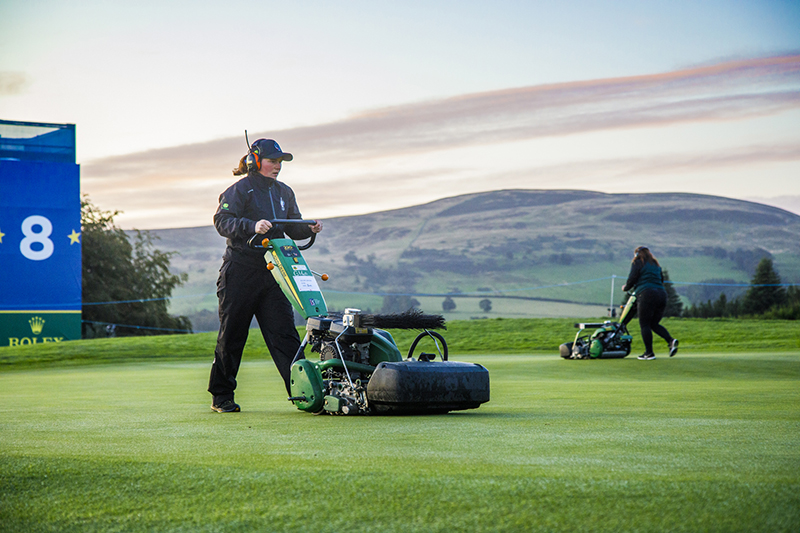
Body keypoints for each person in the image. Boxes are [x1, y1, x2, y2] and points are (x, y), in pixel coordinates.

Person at [208, 138, 323, 412]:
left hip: (274, 272)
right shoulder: (239, 190)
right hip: (240, 272)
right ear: (255, 161)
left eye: (280, 162)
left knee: (285, 337)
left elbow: (293, 227)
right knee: (232, 335)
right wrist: (251, 225)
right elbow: (222, 221)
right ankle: (221, 397)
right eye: (273, 161)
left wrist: (309, 228)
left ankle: (304, 395)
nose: (278, 167)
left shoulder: (284, 192)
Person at [621, 246, 679, 361]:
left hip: (646, 294)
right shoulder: (656, 264)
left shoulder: (638, 262)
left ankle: (649, 353)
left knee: (645, 325)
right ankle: (670, 341)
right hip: (662, 295)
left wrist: (625, 288)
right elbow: (661, 280)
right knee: (653, 324)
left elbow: (632, 278)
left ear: (637, 254)